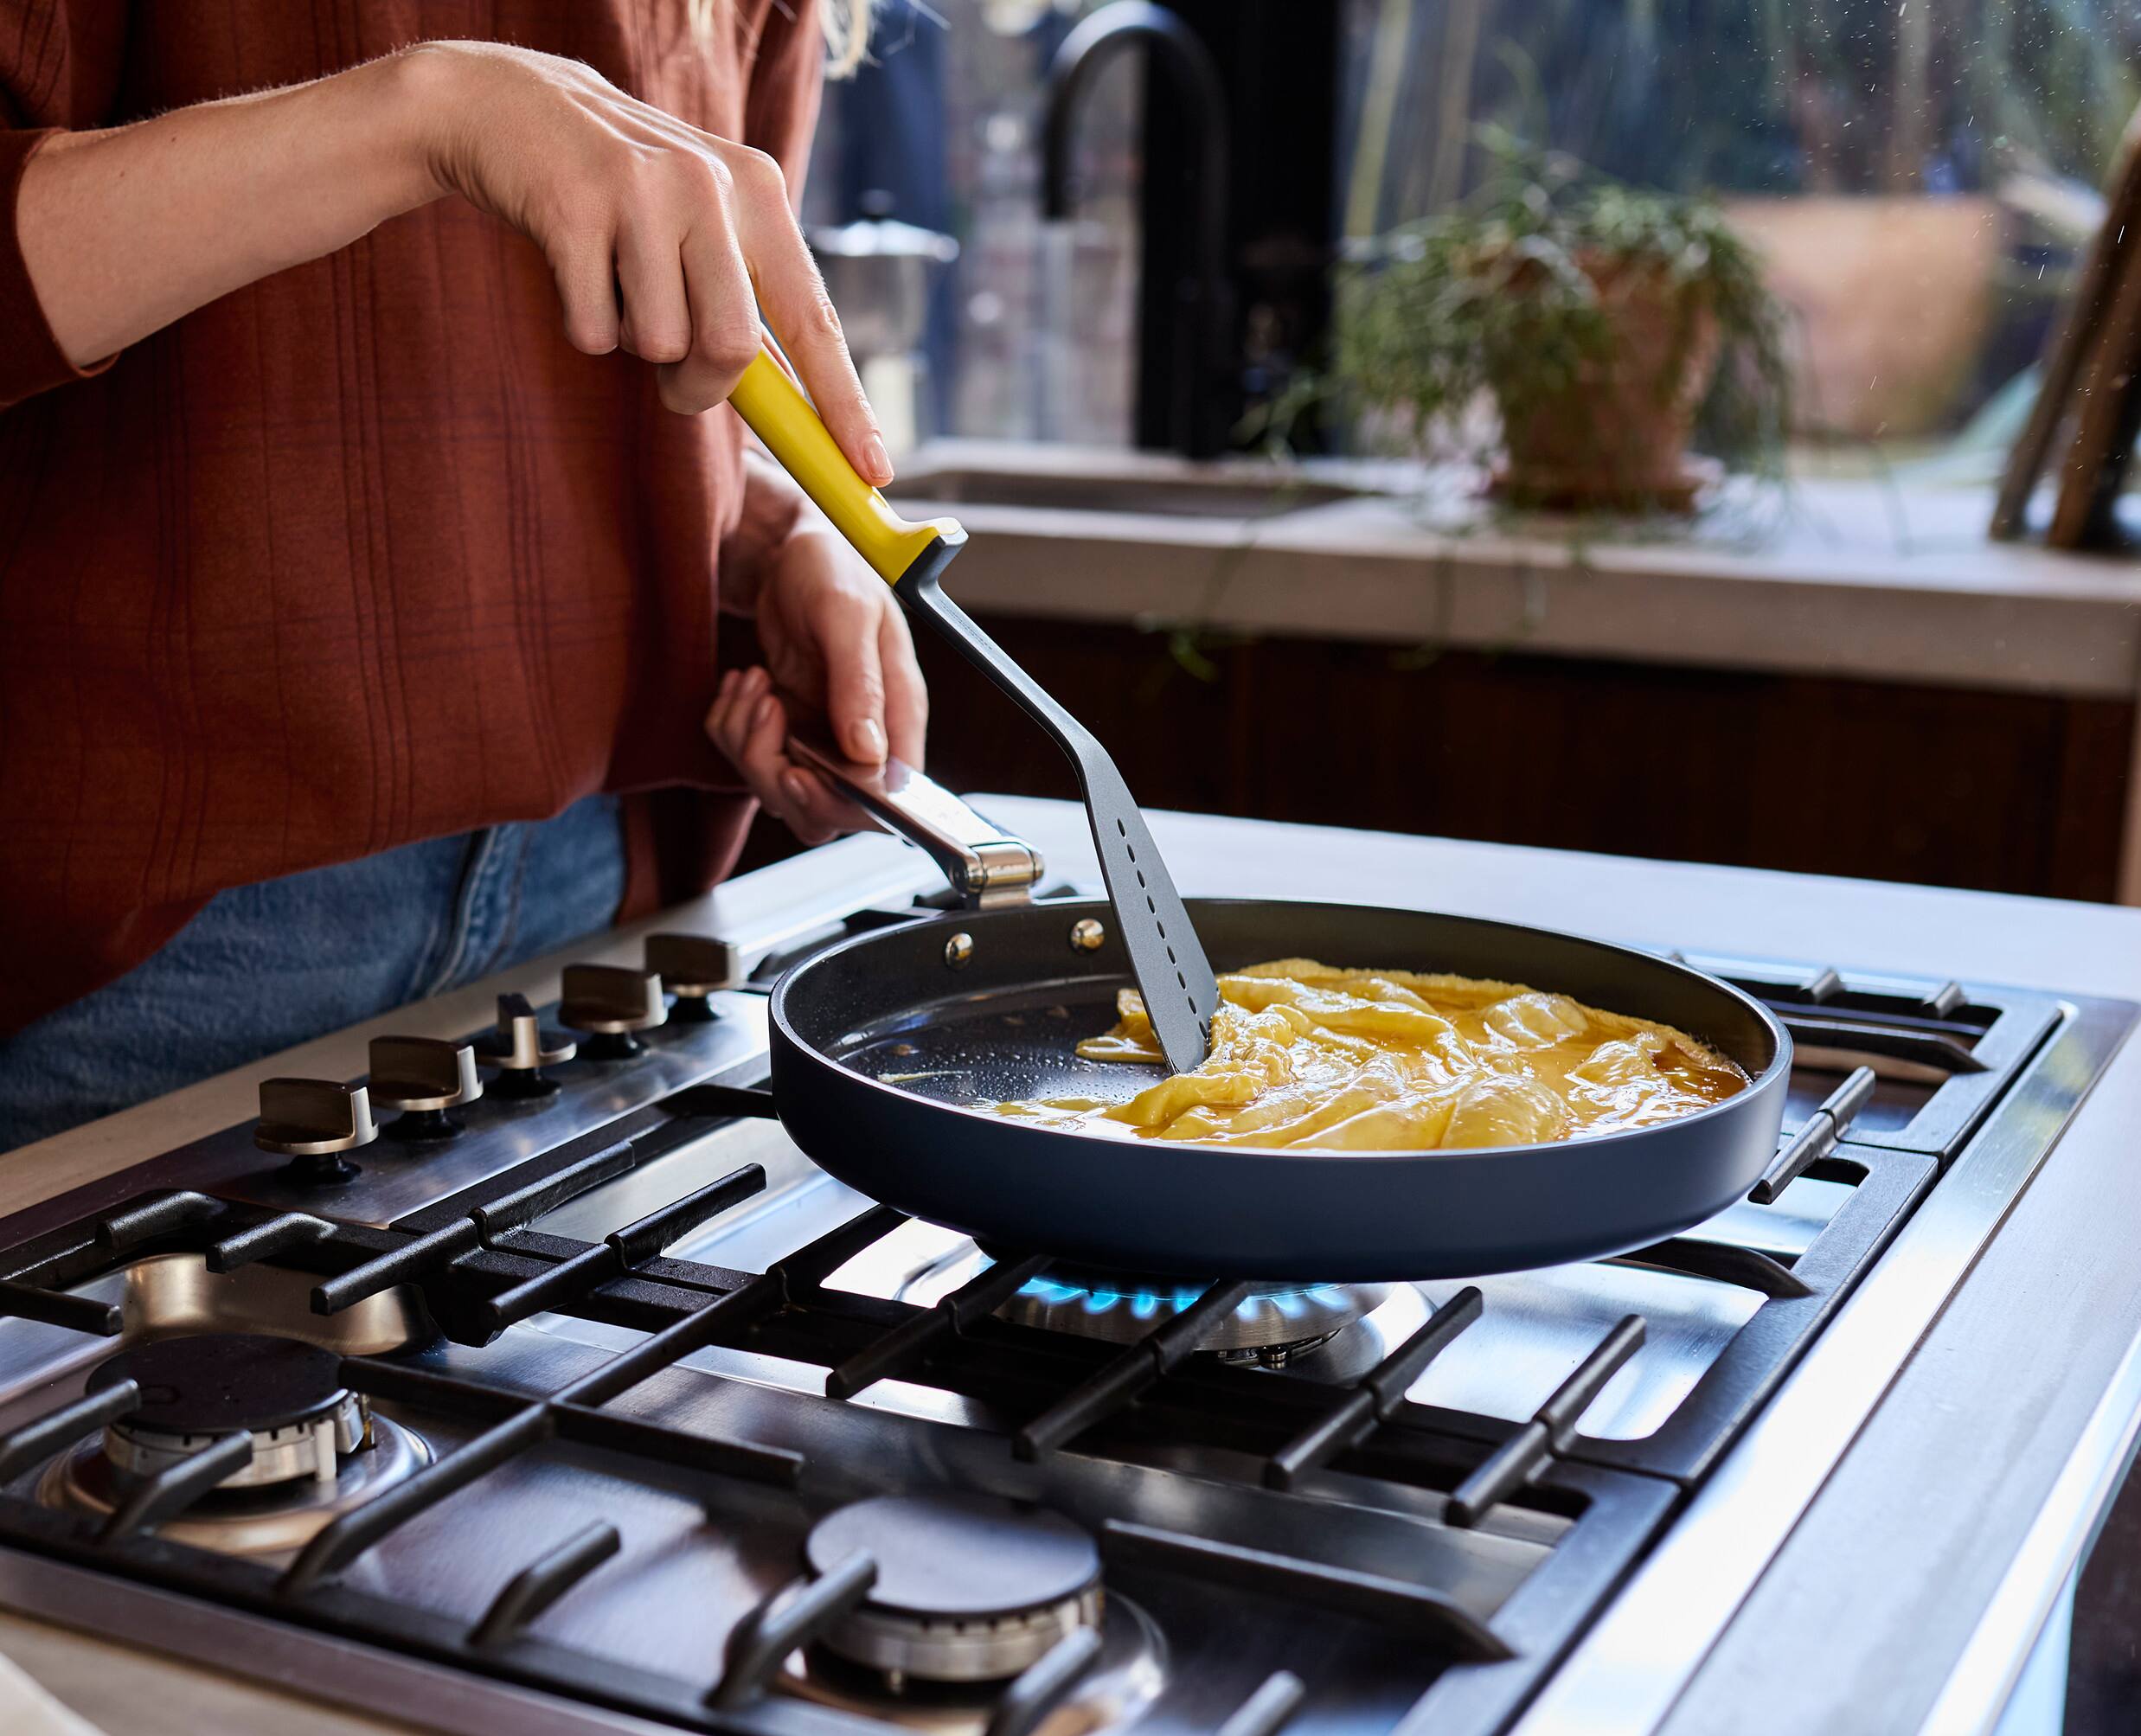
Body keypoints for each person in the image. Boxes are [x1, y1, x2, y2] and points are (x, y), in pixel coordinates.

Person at [0, 1, 925, 1150]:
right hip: (154, 941)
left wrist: (778, 543)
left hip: (598, 908)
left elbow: (681, 360)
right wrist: (424, 114)